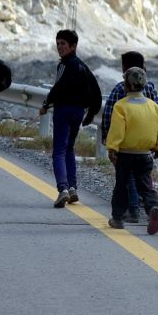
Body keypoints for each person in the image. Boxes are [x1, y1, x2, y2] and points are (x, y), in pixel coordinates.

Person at [39, 29, 102, 208]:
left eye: (63, 44)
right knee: (69, 149)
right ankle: (73, 188)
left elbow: (57, 87)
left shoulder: (64, 65)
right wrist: (91, 113)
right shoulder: (83, 67)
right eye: (58, 43)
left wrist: (46, 104)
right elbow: (96, 91)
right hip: (78, 112)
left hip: (63, 111)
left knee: (58, 150)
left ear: (73, 46)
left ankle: (62, 190)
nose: (59, 47)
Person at [101, 51, 158, 223]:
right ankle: (153, 207)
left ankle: (121, 217)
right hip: (144, 152)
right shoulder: (152, 100)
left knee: (122, 184)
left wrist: (111, 146)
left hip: (126, 151)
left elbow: (114, 125)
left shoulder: (120, 102)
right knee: (145, 184)